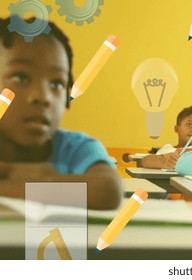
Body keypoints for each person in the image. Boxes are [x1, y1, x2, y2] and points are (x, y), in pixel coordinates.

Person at [0, 17, 123, 210]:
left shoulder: (76, 149)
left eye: (57, 83)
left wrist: (30, 176)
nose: (43, 97)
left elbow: (106, 191)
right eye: (20, 77)